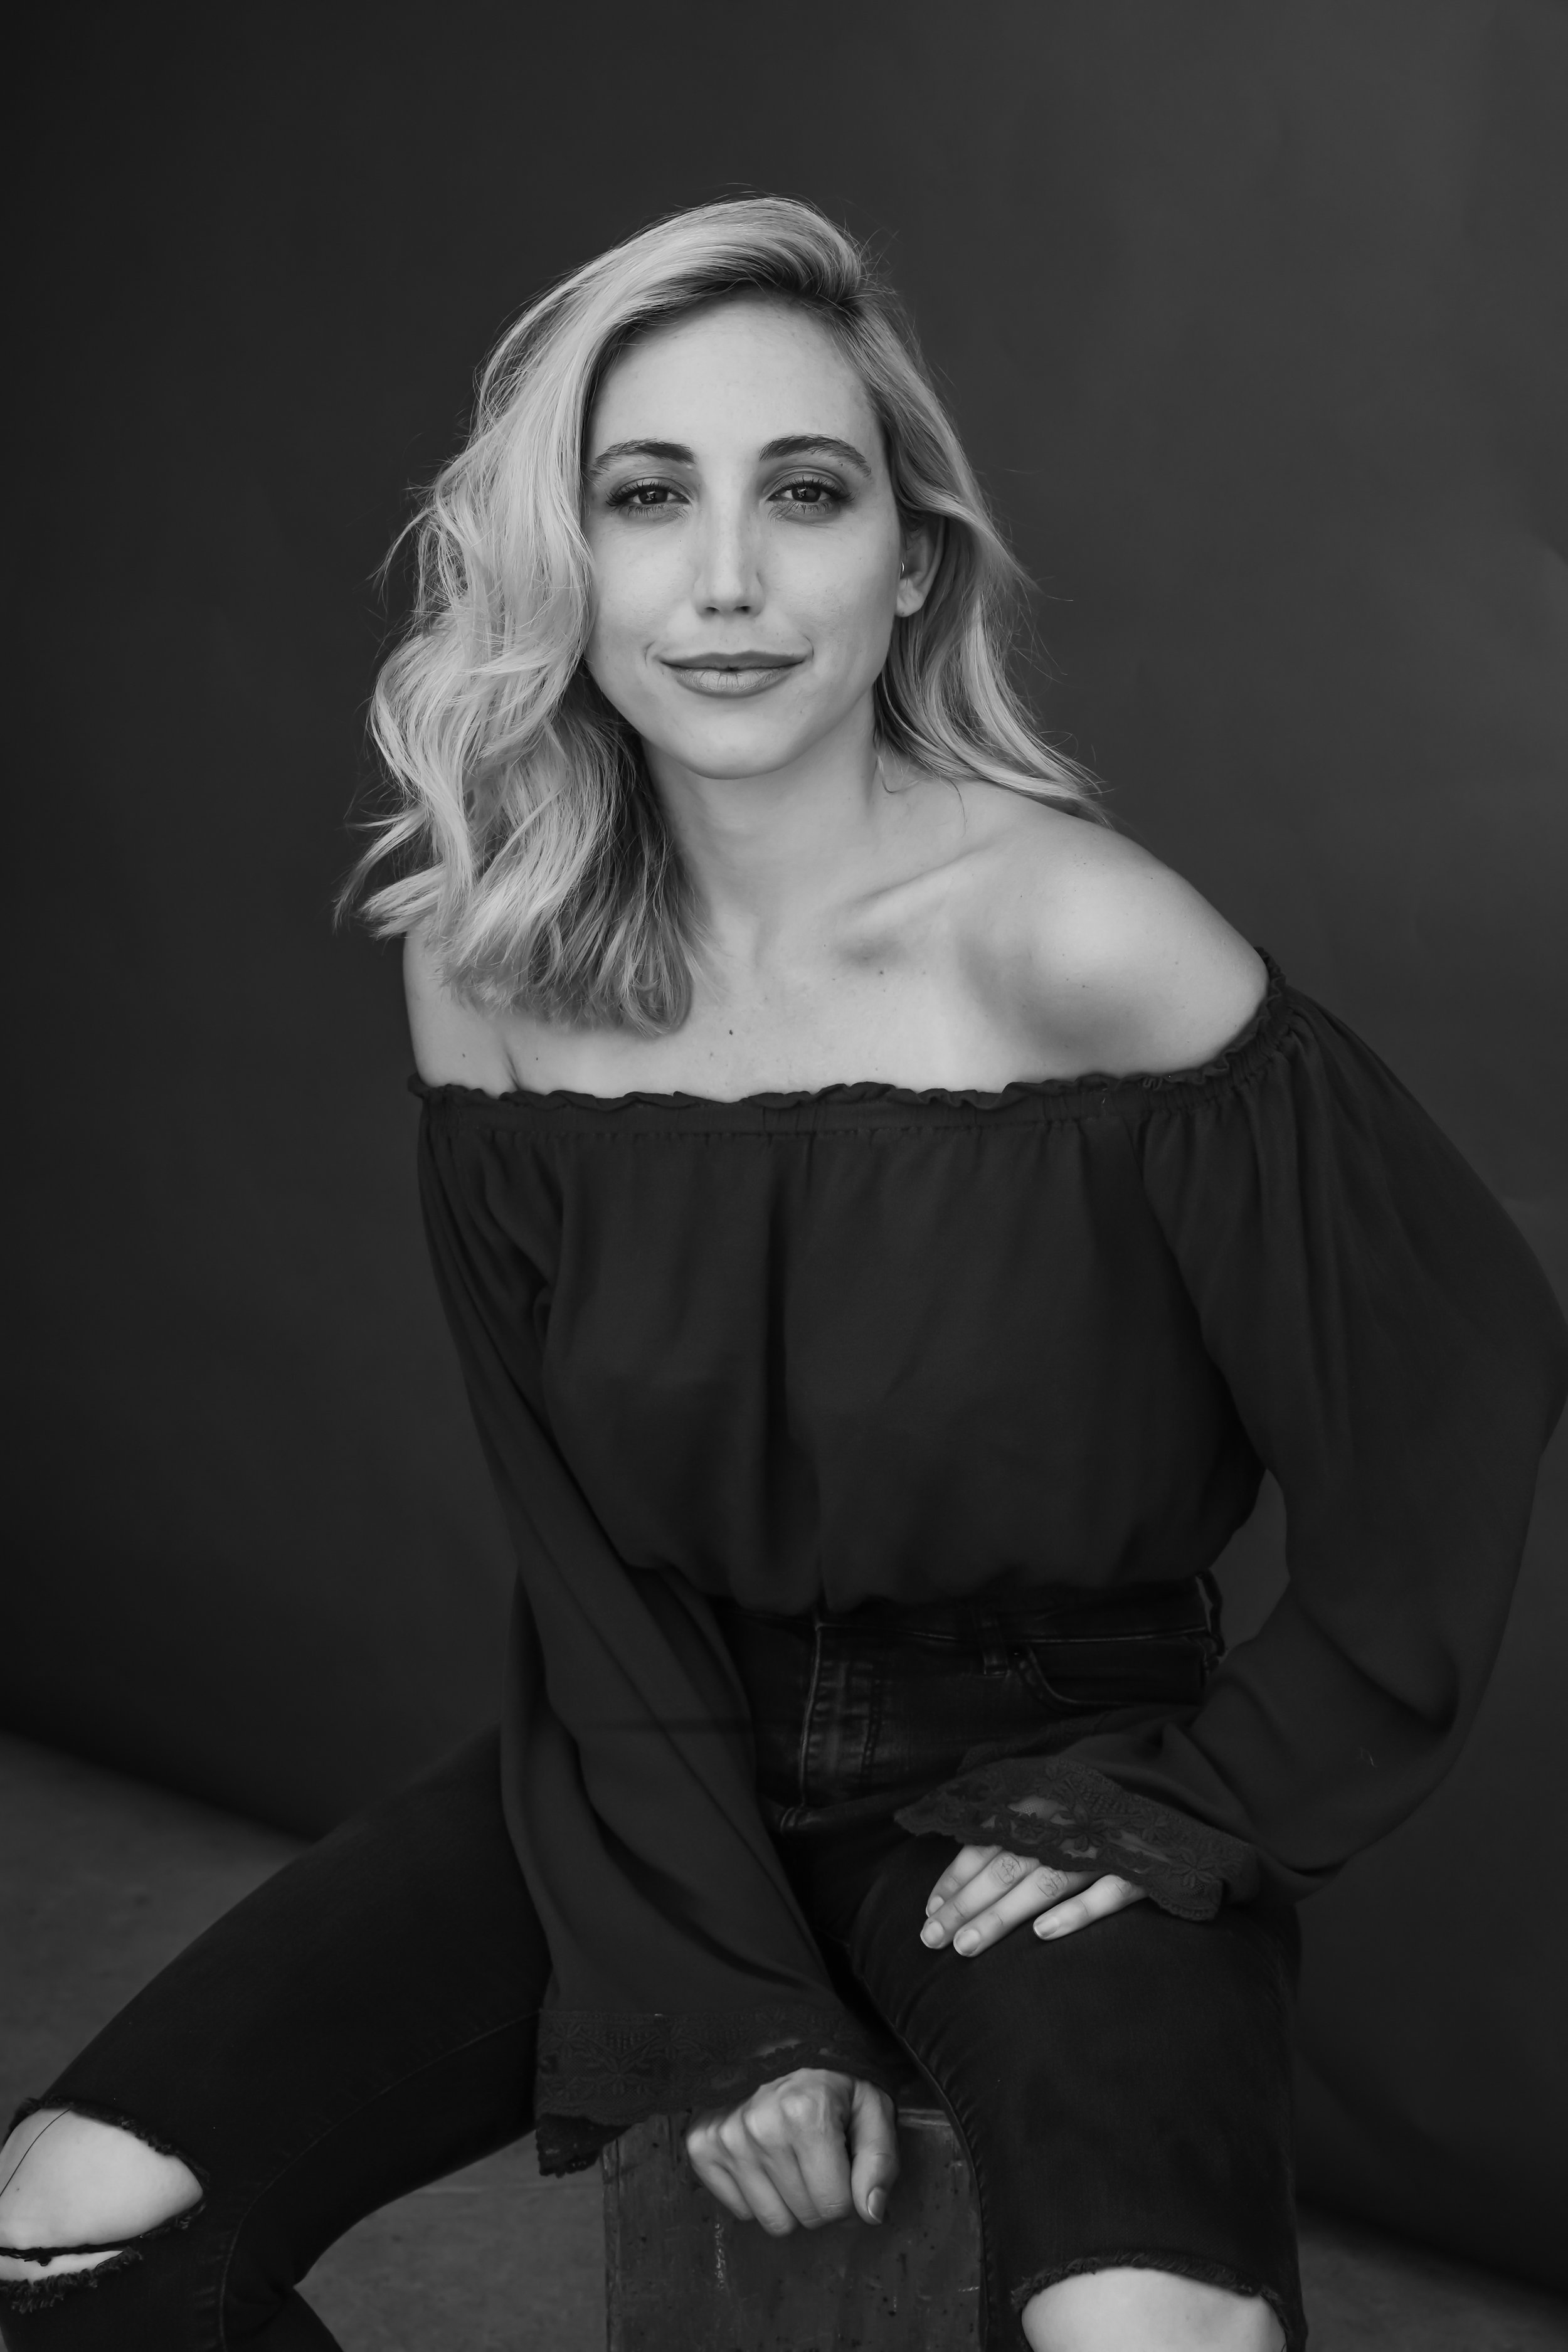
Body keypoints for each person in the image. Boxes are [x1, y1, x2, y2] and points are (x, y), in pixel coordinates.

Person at [2, 197, 1563, 2352]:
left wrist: (1201, 1795)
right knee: (55, 2240)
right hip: (642, 1748)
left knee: (1151, 2338)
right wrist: (721, 2004)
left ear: (910, 560)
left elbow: (1449, 1373)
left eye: (804, 493)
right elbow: (580, 1552)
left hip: (1046, 1762)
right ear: (560, 559)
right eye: (646, 497)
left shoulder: (1077, 936)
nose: (725, 579)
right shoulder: (489, 966)